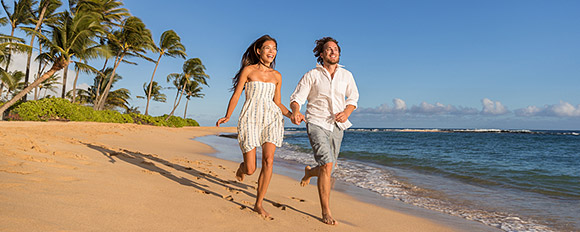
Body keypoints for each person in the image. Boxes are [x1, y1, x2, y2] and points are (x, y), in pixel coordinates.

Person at [216, 35, 292, 218]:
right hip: (250, 118)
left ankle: (259, 203)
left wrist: (292, 115)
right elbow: (236, 95)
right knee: (251, 169)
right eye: (267, 48)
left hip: (271, 119)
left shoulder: (277, 76)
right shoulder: (248, 71)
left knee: (269, 161)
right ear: (258, 51)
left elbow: (278, 103)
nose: (272, 51)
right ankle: (242, 168)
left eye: (274, 48)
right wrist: (228, 115)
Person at [289, 37, 359, 225]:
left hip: (337, 126)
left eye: (335, 49)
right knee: (328, 165)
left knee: (330, 167)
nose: (333, 51)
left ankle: (311, 172)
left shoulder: (347, 75)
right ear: (321, 54)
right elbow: (297, 98)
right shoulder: (312, 75)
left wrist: (346, 112)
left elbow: (353, 98)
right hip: (316, 122)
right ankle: (326, 211)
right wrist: (296, 112)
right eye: (328, 49)